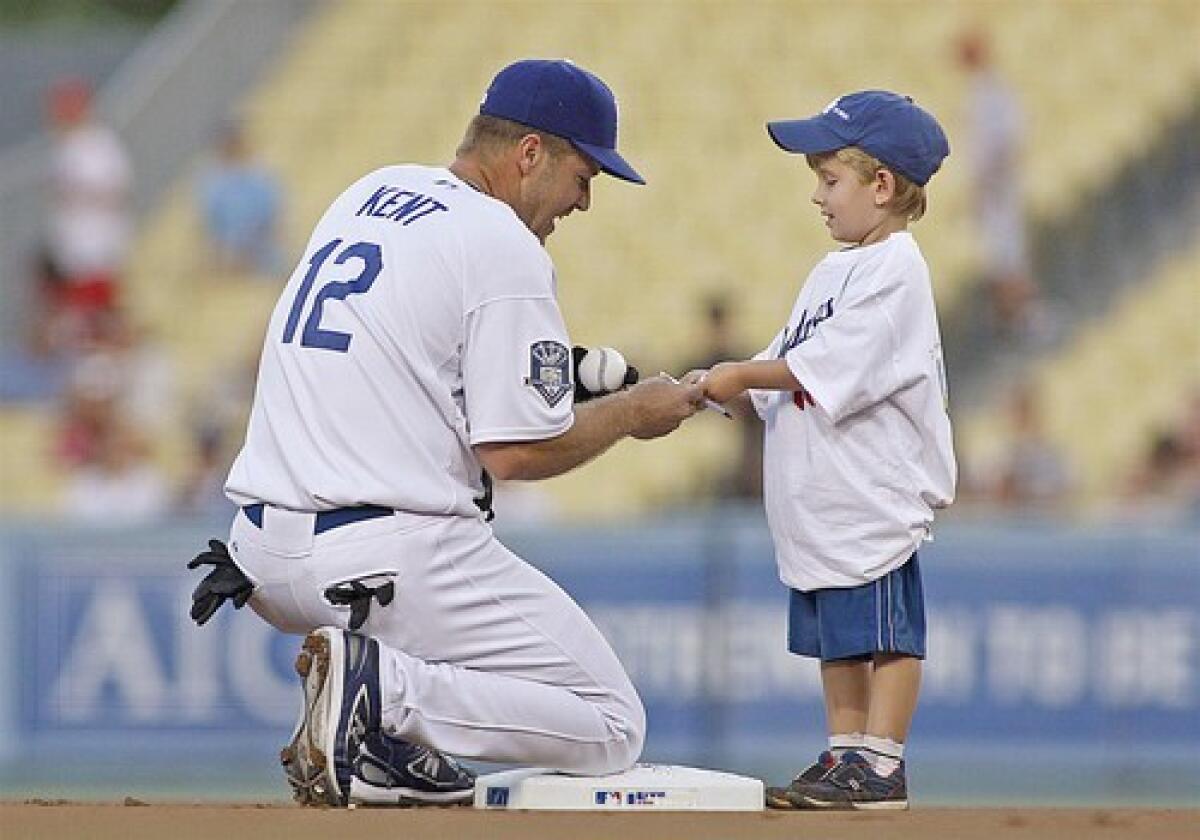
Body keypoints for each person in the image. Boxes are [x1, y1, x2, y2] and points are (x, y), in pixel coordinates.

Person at [185, 59, 705, 808]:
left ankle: (383, 748)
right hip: (384, 554)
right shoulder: (506, 243)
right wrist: (630, 414)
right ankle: (383, 692)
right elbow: (515, 453)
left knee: (448, 717)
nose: (585, 201)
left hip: (261, 550)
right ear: (530, 153)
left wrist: (572, 368)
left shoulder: (370, 191)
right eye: (583, 175)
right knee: (613, 723)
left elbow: (418, 352)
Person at [690, 91, 956, 810]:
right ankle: (845, 755)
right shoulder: (833, 270)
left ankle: (884, 760)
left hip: (870, 494)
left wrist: (742, 374)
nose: (817, 196)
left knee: (887, 636)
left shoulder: (896, 269)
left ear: (883, 185)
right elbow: (784, 358)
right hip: (823, 500)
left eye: (830, 178)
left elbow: (824, 366)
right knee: (839, 638)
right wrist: (717, 386)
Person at [196, 119, 284, 276]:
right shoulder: (211, 183)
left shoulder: (259, 174)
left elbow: (273, 219)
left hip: (263, 253)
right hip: (230, 258)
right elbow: (210, 228)